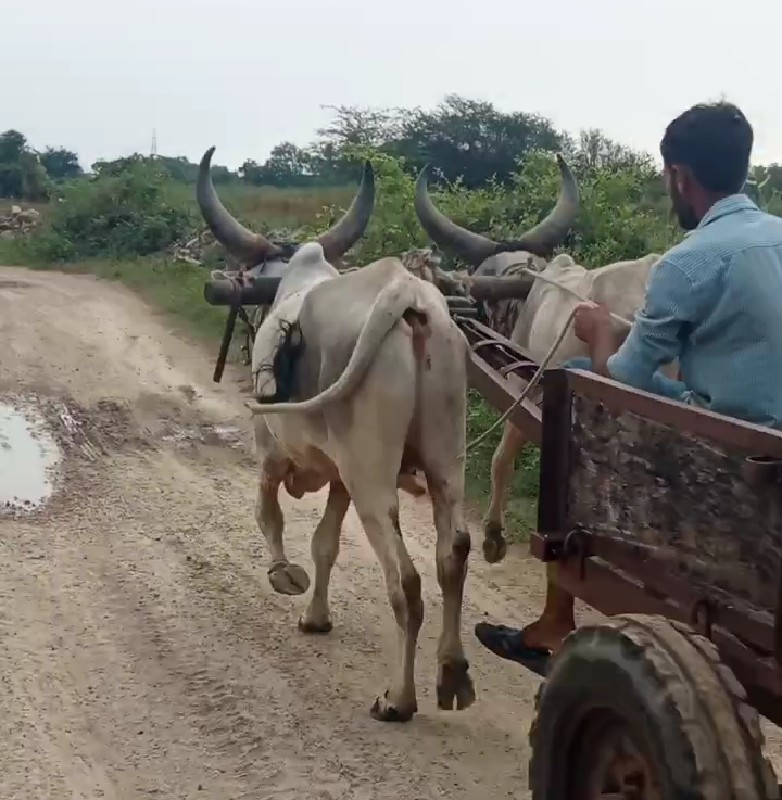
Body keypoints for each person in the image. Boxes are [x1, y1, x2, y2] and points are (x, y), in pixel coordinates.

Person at [475, 101, 782, 674]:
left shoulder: (687, 263)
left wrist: (595, 333)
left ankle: (557, 613)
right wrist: (624, 331)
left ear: (678, 176)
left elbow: (623, 378)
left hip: (731, 452)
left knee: (576, 387)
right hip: (764, 434)